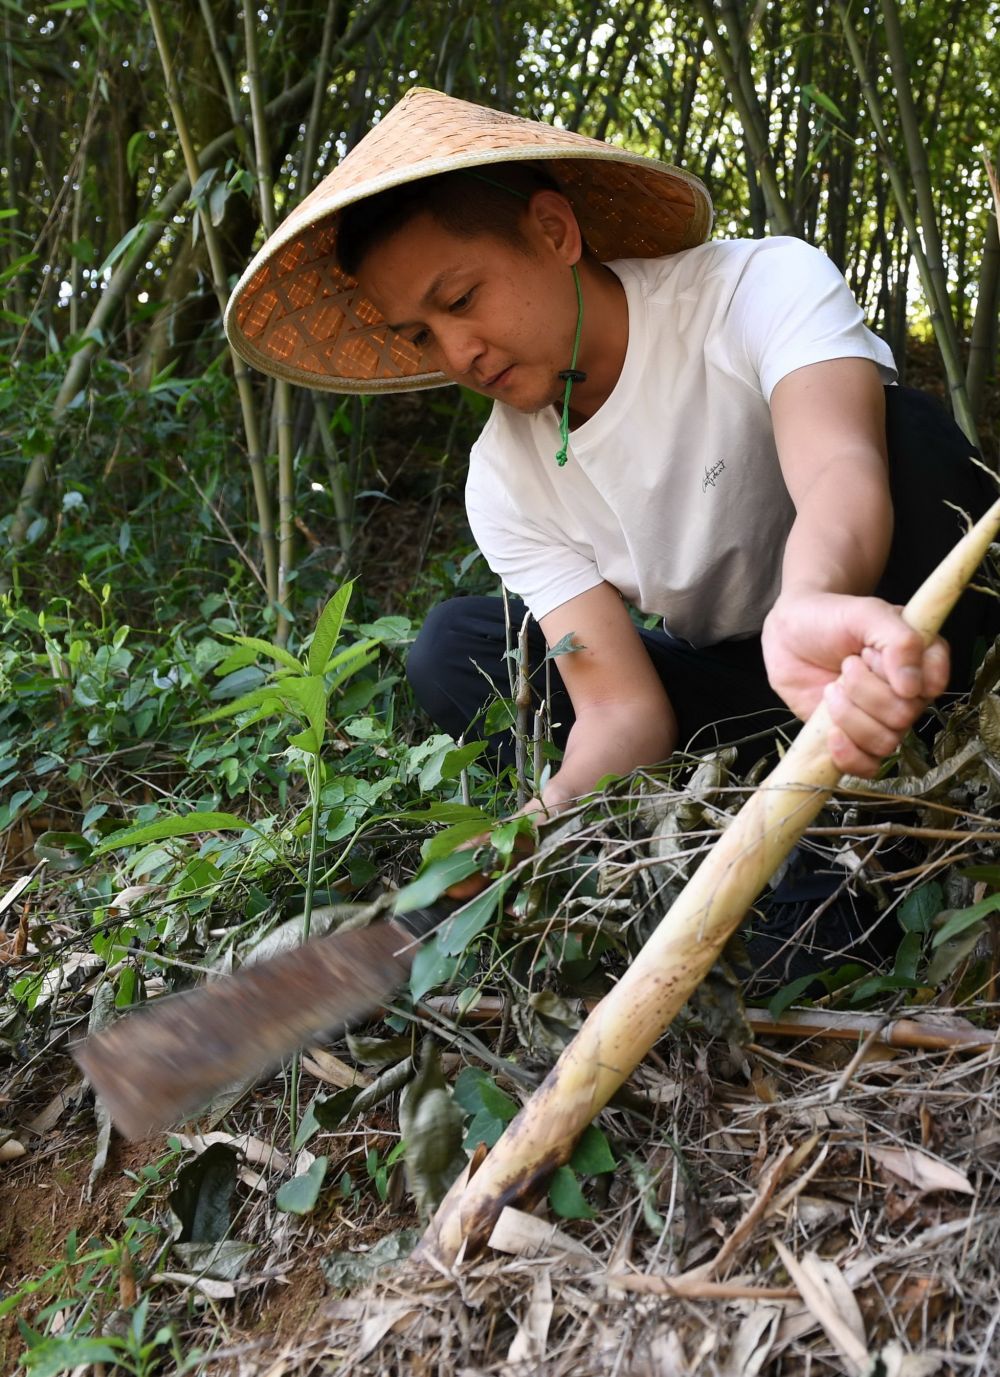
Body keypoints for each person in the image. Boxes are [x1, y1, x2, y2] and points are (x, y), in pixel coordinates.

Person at [227, 88, 997, 982]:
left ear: (554, 231)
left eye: (462, 297)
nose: (460, 352)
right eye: (423, 333)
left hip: (874, 631)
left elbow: (841, 473)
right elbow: (622, 706)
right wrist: (530, 832)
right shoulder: (504, 479)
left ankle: (854, 846)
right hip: (737, 694)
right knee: (456, 646)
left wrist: (812, 599)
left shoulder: (752, 288)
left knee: (915, 439)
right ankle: (722, 836)